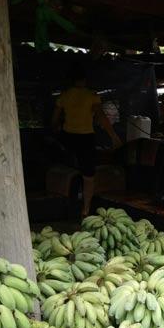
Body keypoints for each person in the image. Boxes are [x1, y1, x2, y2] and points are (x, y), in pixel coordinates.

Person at [52, 64, 122, 217]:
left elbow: (55, 120)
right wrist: (114, 136)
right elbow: (101, 117)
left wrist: (55, 130)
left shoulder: (64, 96)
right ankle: (86, 209)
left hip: (67, 137)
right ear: (85, 80)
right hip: (85, 138)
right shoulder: (91, 96)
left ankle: (68, 204)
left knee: (68, 168)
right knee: (88, 177)